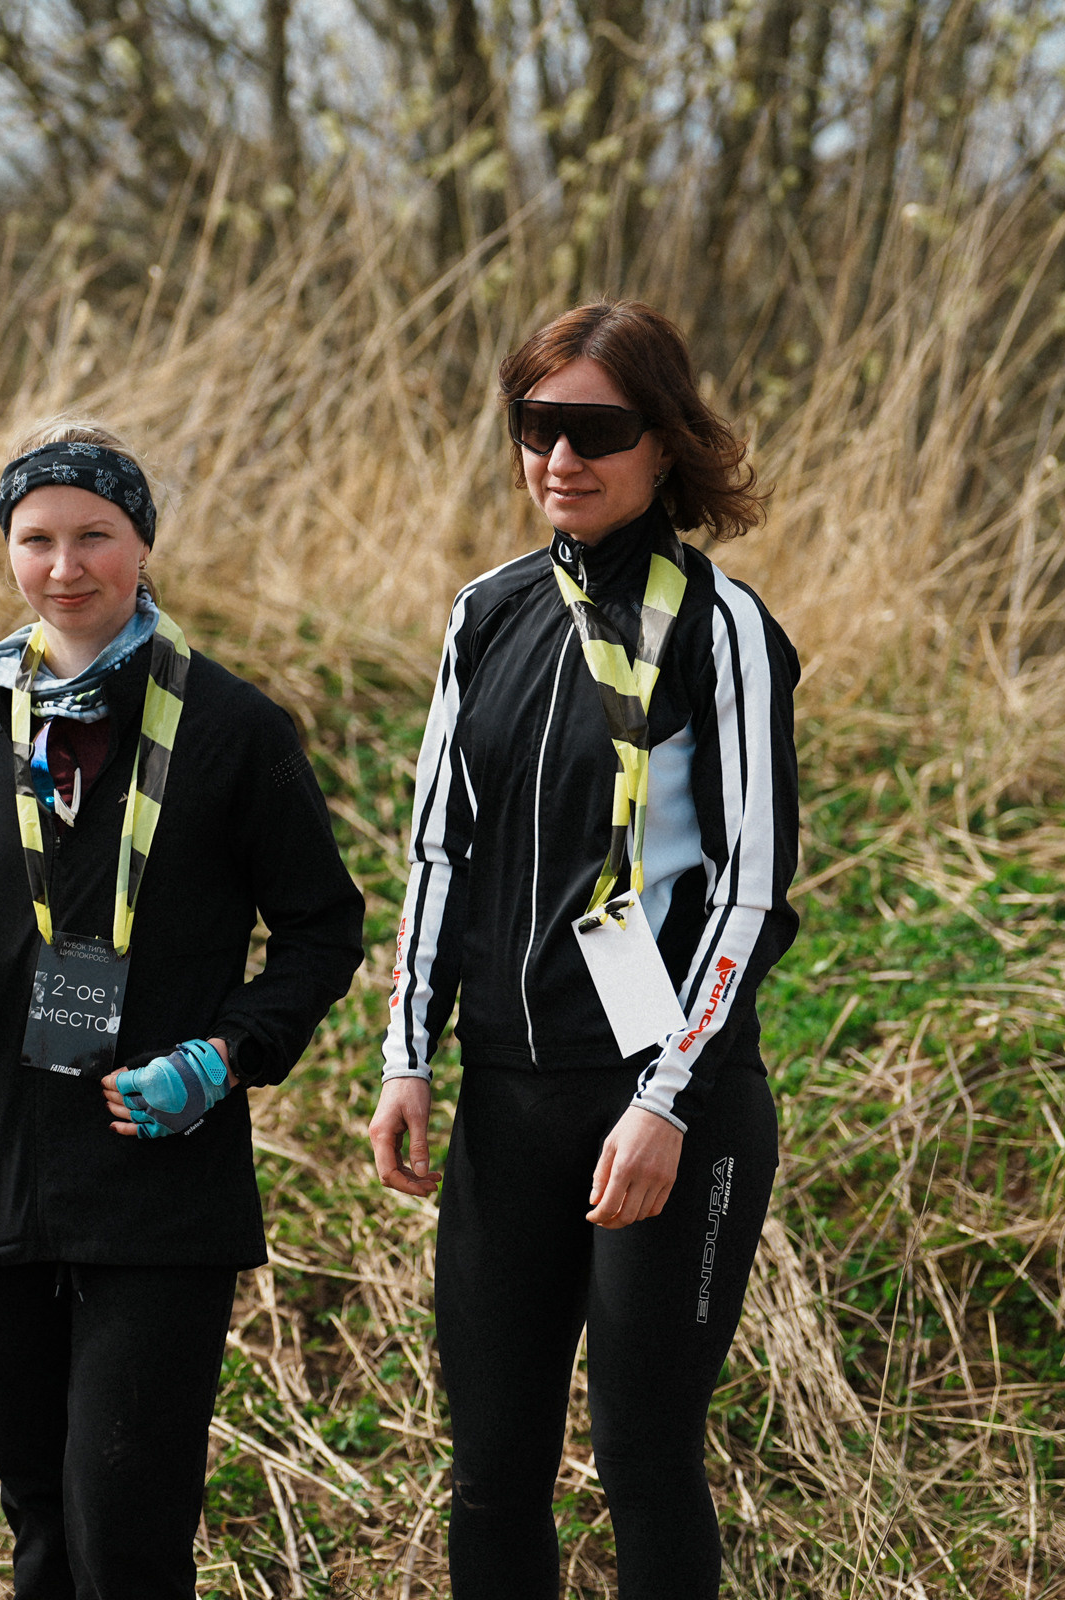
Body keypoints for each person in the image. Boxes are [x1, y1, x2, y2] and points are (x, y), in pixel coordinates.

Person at [0, 419, 364, 1600]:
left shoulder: (233, 729)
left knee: (124, 1538)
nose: (64, 566)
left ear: (144, 544)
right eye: (35, 539)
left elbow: (322, 929)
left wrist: (229, 1055)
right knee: (40, 1528)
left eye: (96, 535)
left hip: (156, 1177)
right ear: (7, 552)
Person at [366, 302, 799, 1596]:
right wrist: (408, 1056)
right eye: (535, 426)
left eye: (595, 430)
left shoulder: (723, 632)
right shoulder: (485, 615)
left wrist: (668, 1100)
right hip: (507, 1097)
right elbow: (444, 845)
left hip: (668, 1105)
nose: (560, 457)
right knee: (492, 1470)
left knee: (643, 1457)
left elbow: (754, 889)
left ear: (665, 445)